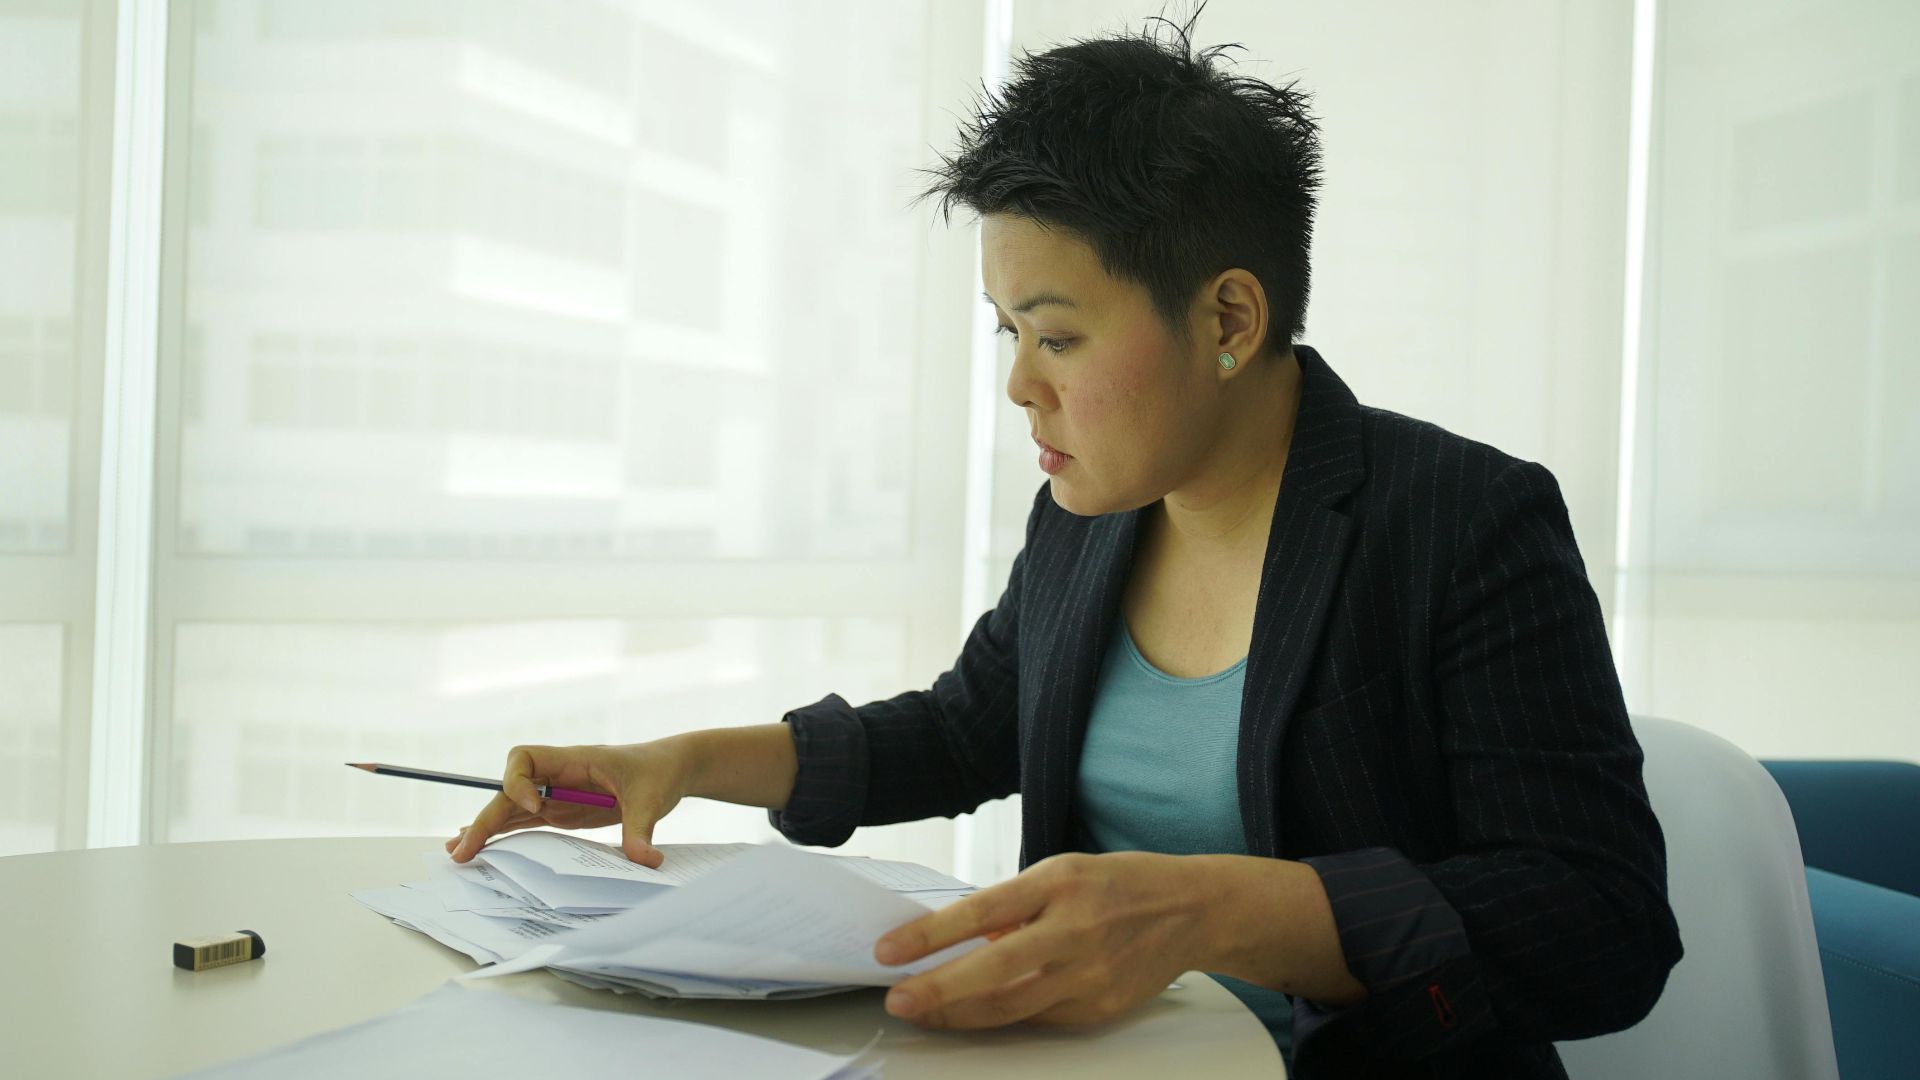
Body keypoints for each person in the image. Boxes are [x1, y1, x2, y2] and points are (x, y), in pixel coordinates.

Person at [450, 7, 1683, 1077]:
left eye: (1059, 337)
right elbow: (962, 727)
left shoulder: (1461, 521)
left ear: (1231, 318)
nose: (1019, 390)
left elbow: (1601, 922)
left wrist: (1209, 910)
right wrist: (682, 759)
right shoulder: (1090, 514)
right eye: (1008, 335)